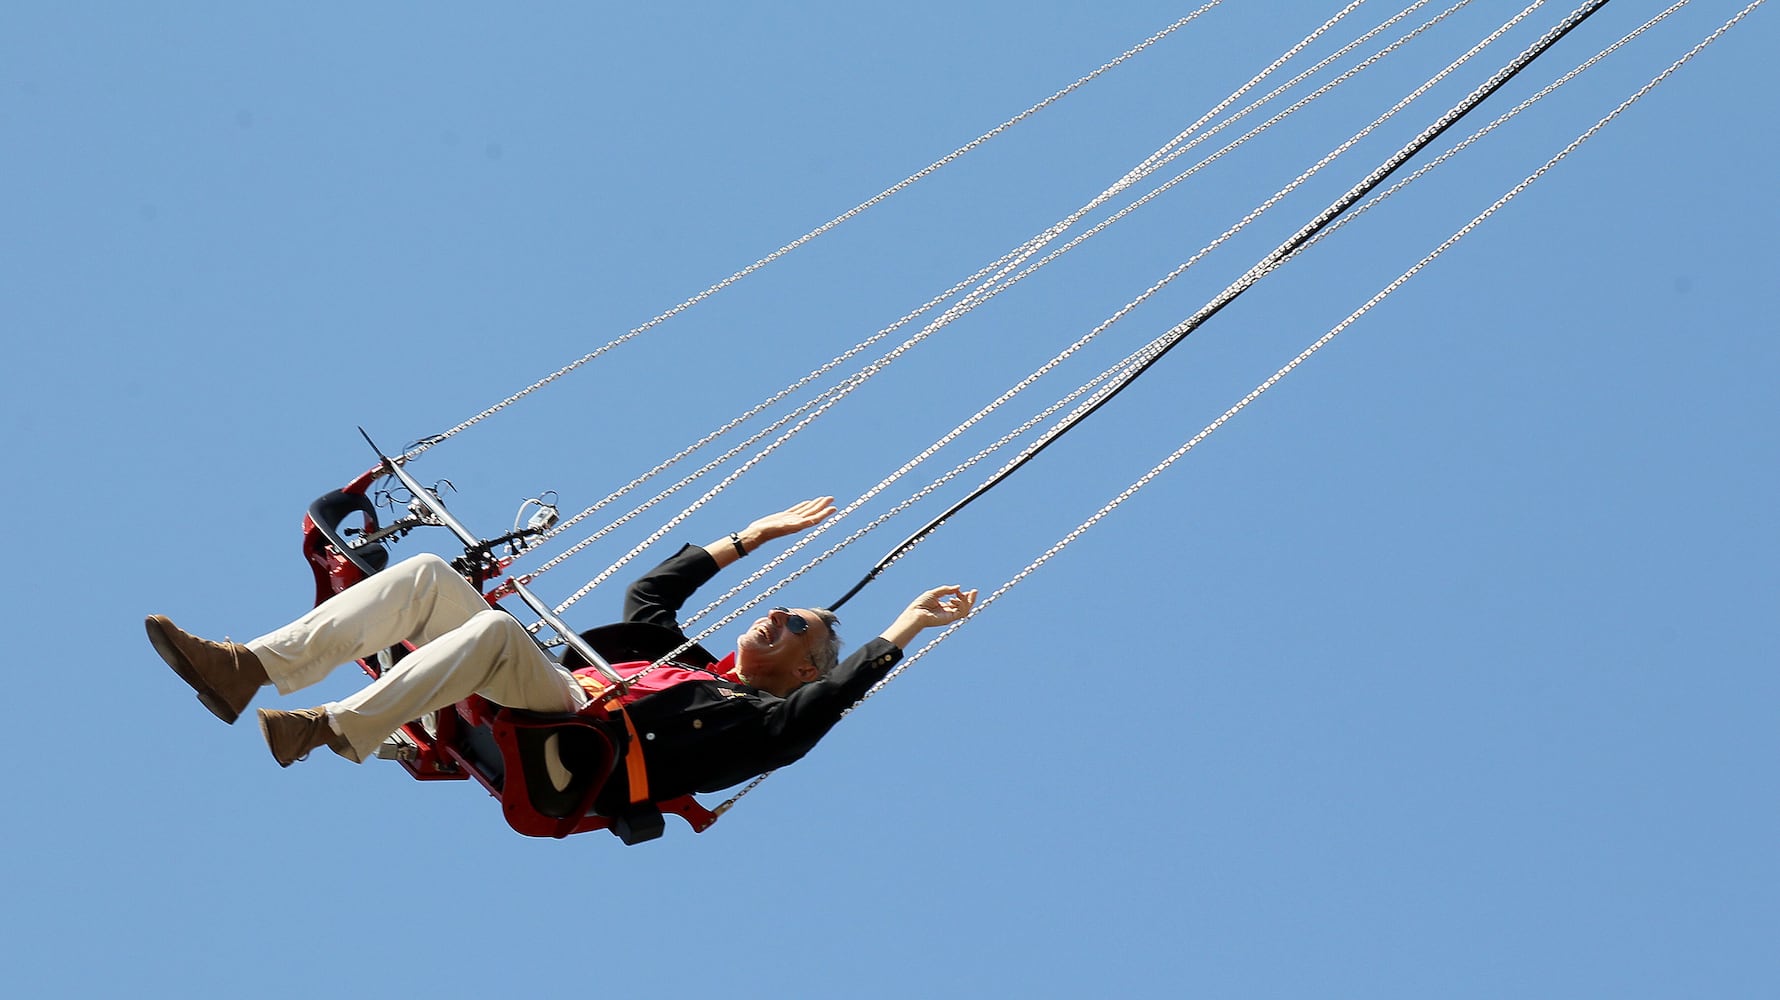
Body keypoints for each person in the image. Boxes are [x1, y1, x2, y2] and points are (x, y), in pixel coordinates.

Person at [145, 496, 976, 806]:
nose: (780, 620)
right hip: (544, 698)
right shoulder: (683, 660)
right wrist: (750, 536)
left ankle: (331, 728)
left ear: (803, 669)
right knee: (432, 574)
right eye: (784, 609)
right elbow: (650, 596)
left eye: (801, 631)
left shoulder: (761, 720)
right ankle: (244, 669)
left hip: (579, 751)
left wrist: (898, 630)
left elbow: (818, 717)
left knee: (498, 631)